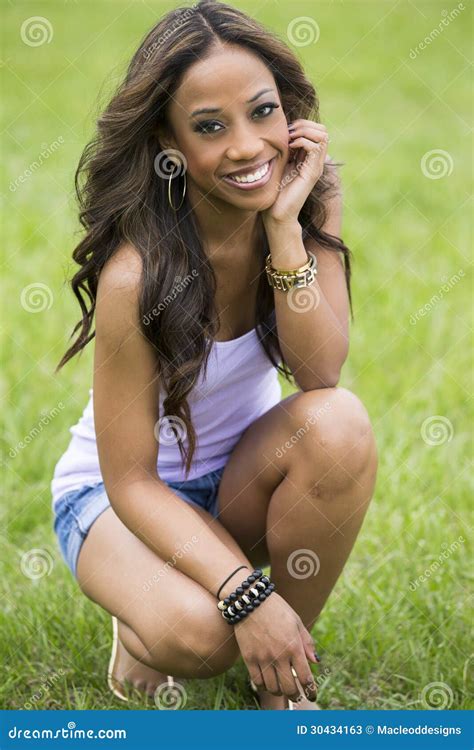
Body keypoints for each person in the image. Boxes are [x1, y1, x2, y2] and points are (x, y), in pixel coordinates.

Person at [51, 0, 378, 710]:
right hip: (120, 506)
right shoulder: (135, 276)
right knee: (204, 635)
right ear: (168, 144)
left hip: (238, 484)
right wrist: (243, 593)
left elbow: (321, 374)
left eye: (262, 112)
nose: (247, 147)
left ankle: (281, 684)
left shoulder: (308, 199)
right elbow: (132, 481)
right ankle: (152, 625)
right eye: (209, 127)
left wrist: (286, 234)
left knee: (341, 423)